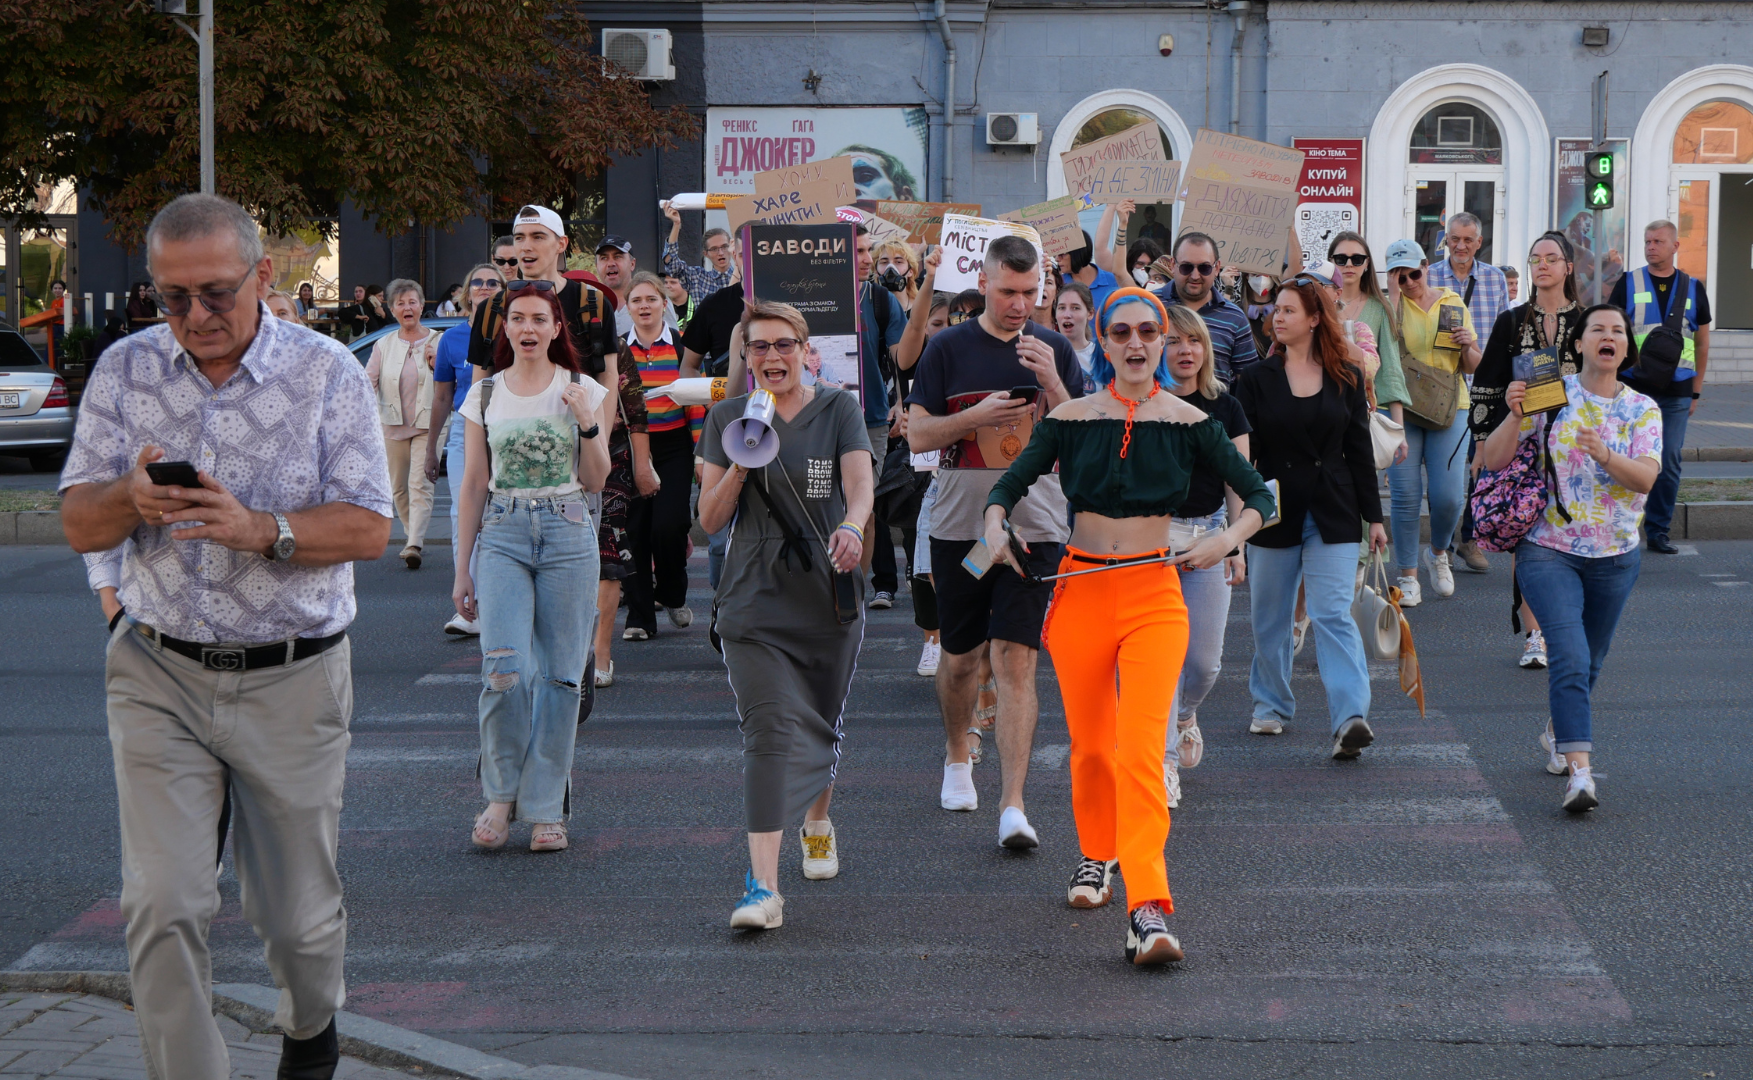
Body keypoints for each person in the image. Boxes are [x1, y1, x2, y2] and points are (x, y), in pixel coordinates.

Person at [59, 192, 393, 1080]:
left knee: (296, 921)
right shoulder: (125, 371)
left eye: (213, 293)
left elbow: (369, 529)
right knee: (161, 903)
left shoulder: (327, 371)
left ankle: (310, 1031)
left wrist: (262, 530)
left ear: (263, 275)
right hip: (157, 669)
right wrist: (127, 501)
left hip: (294, 674)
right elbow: (78, 523)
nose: (193, 318)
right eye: (169, 298)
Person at [983, 286, 1272, 965]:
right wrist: (994, 525)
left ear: (1166, 338)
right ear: (1105, 343)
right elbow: (1008, 484)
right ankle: (1095, 855)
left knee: (1141, 753)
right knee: (1089, 748)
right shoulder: (1071, 417)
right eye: (1122, 333)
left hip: (1153, 592)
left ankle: (1150, 907)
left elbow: (1259, 496)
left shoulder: (1189, 420)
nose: (1136, 344)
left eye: (1148, 331)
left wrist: (1225, 541)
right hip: (1080, 590)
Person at [696, 300, 874, 931]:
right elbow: (709, 523)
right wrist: (744, 459)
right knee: (770, 731)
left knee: (819, 721)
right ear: (745, 358)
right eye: (758, 347)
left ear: (805, 349)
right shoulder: (726, 416)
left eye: (783, 344)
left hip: (827, 590)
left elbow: (859, 486)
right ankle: (761, 888)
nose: (772, 357)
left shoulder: (839, 409)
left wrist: (853, 526)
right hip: (752, 596)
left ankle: (817, 819)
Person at [906, 235, 1084, 847]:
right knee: (961, 657)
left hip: (1035, 527)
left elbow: (1085, 432)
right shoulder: (948, 347)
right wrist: (974, 417)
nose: (1020, 304)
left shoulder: (1054, 347)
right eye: (1008, 292)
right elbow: (918, 437)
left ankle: (1014, 804)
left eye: (1031, 293)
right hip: (961, 528)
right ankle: (958, 753)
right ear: (983, 284)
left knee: (1017, 660)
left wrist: (1054, 383)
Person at [1478, 305, 1660, 813]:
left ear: (1625, 348)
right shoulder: (1550, 394)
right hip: (1547, 548)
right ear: (1578, 344)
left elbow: (1646, 479)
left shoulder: (1643, 409)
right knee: (1571, 656)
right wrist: (1514, 417)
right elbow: (1494, 460)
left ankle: (1559, 729)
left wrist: (1604, 455)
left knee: (1590, 661)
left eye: (1617, 331)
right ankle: (1580, 774)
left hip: (1616, 555)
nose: (1608, 336)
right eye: (1597, 329)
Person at [453, 281, 611, 851]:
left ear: (555, 328)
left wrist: (586, 421)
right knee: (505, 669)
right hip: (502, 532)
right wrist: (461, 567)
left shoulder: (581, 387)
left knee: (564, 677)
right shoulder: (486, 394)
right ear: (505, 328)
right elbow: (472, 484)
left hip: (569, 531)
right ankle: (500, 795)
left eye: (538, 320)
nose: (527, 329)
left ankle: (546, 806)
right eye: (516, 319)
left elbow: (596, 478)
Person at [1233, 275, 1387, 754]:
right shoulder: (1254, 380)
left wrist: (1375, 518)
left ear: (1316, 318)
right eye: (1274, 310)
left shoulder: (1345, 376)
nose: (1276, 318)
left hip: (1334, 510)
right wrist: (1236, 522)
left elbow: (1359, 449)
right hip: (1273, 511)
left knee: (1331, 613)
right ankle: (1271, 704)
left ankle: (1350, 717)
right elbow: (1242, 455)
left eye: (1288, 311)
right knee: (1271, 617)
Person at [1473, 232, 1588, 670]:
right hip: (1524, 447)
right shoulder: (1512, 321)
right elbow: (1485, 385)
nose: (1542, 265)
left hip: (1578, 449)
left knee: (1575, 540)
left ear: (1568, 267)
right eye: (1535, 258)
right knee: (1529, 538)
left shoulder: (1588, 320)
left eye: (1551, 258)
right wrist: (1482, 445)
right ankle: (1535, 634)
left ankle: (1571, 625)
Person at [1159, 304, 1252, 805]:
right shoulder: (1146, 401)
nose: (1184, 350)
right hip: (1152, 545)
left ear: (1206, 349)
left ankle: (1186, 713)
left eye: (1192, 341)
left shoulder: (1226, 406)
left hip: (1210, 538)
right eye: (1173, 341)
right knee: (1165, 660)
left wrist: (1237, 543)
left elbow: (1241, 479)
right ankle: (1165, 762)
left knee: (1204, 663)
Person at [1383, 238, 1481, 606]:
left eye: (1413, 272)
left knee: (1448, 498)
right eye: (1399, 276)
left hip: (1449, 407)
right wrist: (1391, 297)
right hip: (1400, 407)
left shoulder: (1451, 302)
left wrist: (1468, 344)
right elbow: (1382, 347)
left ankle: (1438, 553)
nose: (1409, 282)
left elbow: (1471, 367)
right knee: (1406, 496)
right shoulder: (1388, 306)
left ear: (1426, 265)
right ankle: (1407, 574)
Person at [1609, 219, 1712, 556]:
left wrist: (1696, 390)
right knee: (1623, 458)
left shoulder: (1694, 287)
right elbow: (1610, 332)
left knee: (1667, 460)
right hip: (1633, 388)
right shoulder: (1627, 282)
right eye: (1647, 241)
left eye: (1658, 241)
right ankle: (1620, 525)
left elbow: (1702, 342)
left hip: (1677, 390)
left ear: (1675, 246)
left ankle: (1658, 530)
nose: (1651, 247)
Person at [425, 263, 506, 635]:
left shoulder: (514, 331)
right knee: (464, 514)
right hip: (463, 429)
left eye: (494, 283)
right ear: (467, 292)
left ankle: (500, 599)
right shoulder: (452, 339)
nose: (485, 287)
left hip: (506, 428)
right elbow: (442, 396)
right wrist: (431, 449)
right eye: (478, 282)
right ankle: (469, 609)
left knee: (502, 514)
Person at [620, 271, 696, 641]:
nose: (644, 306)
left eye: (651, 299)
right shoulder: (618, 349)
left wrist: (701, 456)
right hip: (629, 447)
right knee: (634, 533)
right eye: (637, 300)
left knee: (670, 526)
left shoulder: (682, 347)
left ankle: (672, 594)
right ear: (628, 307)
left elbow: (696, 402)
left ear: (664, 304)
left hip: (674, 447)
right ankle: (639, 617)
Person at [852, 225, 923, 609]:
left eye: (868, 251)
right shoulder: (806, 294)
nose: (866, 260)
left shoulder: (880, 299)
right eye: (859, 252)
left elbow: (902, 359)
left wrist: (904, 403)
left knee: (864, 510)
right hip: (812, 416)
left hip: (871, 419)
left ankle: (853, 593)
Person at [365, 279, 440, 569]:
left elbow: (451, 381)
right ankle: (412, 533)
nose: (407, 307)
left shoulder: (438, 341)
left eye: (412, 301)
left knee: (419, 484)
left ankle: (414, 544)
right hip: (392, 423)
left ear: (421, 306)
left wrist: (437, 365)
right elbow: (367, 383)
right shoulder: (383, 344)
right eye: (400, 303)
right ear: (392, 309)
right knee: (398, 487)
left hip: (428, 423)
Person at [1151, 232, 1261, 381]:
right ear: (1173, 266)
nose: (1195, 275)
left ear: (1217, 269)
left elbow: (1248, 382)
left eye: (1204, 268)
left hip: (1214, 402)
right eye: (1186, 267)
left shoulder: (1235, 317)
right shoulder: (1149, 306)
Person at [1328, 232, 1409, 432]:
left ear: (1367, 264)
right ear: (1330, 262)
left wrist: (1398, 427)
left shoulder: (1381, 306)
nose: (1348, 265)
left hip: (1364, 411)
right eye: (1341, 259)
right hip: (1322, 406)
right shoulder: (1317, 304)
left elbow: (1391, 367)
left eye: (1357, 259)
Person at [1428, 212, 1511, 338]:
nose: (1461, 246)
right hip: (1440, 358)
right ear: (1447, 239)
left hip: (1483, 357)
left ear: (1479, 242)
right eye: (1455, 239)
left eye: (1468, 240)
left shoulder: (1495, 278)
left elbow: (1504, 331)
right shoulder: (1428, 276)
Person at [596, 235, 675, 335]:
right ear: (597, 266)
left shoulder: (656, 299)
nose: (611, 263)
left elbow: (673, 343)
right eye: (604, 258)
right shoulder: (590, 302)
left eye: (617, 257)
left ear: (632, 264)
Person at [661, 203, 737, 304]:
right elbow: (672, 266)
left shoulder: (744, 276)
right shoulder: (698, 277)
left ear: (731, 247)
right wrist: (676, 224)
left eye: (724, 246)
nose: (720, 252)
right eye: (714, 249)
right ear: (706, 254)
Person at [1059, 229, 1120, 316]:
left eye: (1062, 254)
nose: (1057, 259)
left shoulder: (1113, 281)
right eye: (1055, 255)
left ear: (1077, 253)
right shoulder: (1058, 283)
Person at [1056, 281, 1100, 394]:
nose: (1067, 315)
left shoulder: (1101, 355)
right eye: (1061, 308)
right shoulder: (1047, 353)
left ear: (1090, 313)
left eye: (1075, 308)